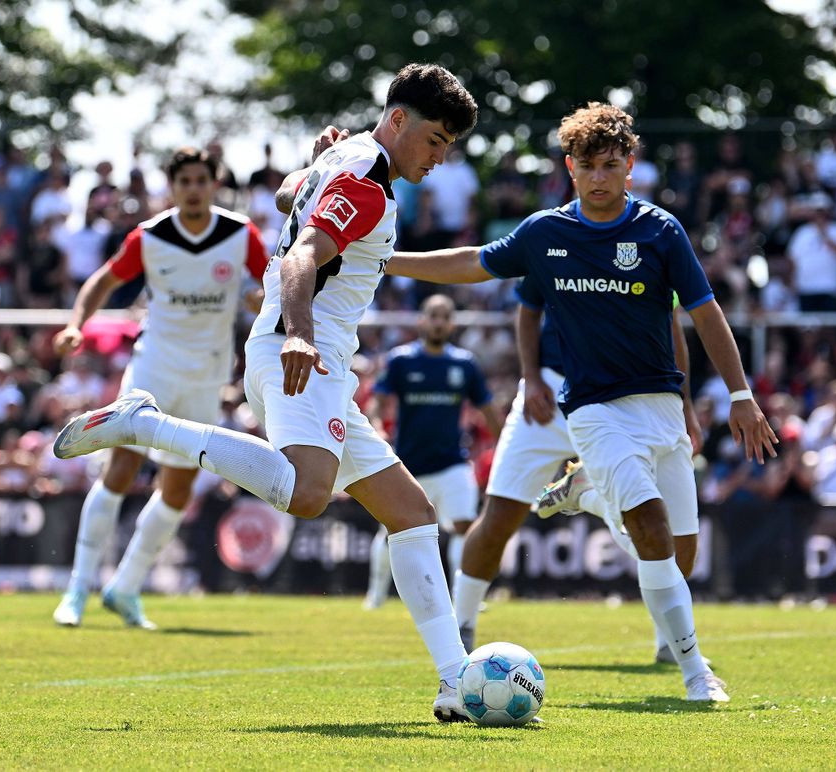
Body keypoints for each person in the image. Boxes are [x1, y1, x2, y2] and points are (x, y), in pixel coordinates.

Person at [53, 63, 480, 722]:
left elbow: (287, 200)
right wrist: (300, 335)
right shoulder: (368, 180)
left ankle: (457, 685)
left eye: (449, 145)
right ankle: (145, 422)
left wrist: (311, 174)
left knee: (412, 514)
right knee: (308, 493)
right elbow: (302, 254)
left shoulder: (346, 156)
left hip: (319, 361)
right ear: (398, 120)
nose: (440, 156)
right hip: (301, 356)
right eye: (435, 139)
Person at [384, 102, 778, 703]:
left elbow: (703, 315)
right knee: (646, 527)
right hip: (591, 408)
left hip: (662, 407)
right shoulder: (546, 234)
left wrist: (740, 396)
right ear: (570, 168)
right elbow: (473, 263)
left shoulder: (660, 231)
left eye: (611, 165)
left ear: (630, 166)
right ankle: (698, 674)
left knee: (681, 554)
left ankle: (588, 496)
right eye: (588, 165)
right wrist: (384, 258)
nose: (600, 177)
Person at [51, 147, 268, 629]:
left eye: (201, 180)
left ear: (215, 184)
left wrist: (259, 300)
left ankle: (125, 588)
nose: (193, 189)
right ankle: (77, 588)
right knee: (121, 468)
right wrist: (76, 325)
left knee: (178, 489)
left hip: (206, 377)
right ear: (172, 186)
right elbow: (102, 282)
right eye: (184, 181)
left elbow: (264, 285)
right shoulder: (149, 237)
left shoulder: (240, 234)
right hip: (153, 370)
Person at [452, 274, 704, 666]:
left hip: (625, 398)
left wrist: (684, 403)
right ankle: (460, 626)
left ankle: (670, 640)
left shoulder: (652, 238)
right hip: (549, 394)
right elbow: (527, 310)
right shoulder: (555, 236)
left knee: (668, 537)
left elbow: (672, 325)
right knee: (500, 514)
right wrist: (532, 378)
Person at [363, 293, 502, 610]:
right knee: (392, 530)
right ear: (422, 321)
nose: (439, 322)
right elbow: (377, 403)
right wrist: (376, 427)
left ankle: (462, 599)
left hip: (452, 462)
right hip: (409, 464)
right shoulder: (401, 360)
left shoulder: (464, 364)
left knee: (464, 526)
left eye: (445, 317)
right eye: (433, 316)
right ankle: (376, 595)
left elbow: (488, 410)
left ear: (452, 324)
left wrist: (505, 444)